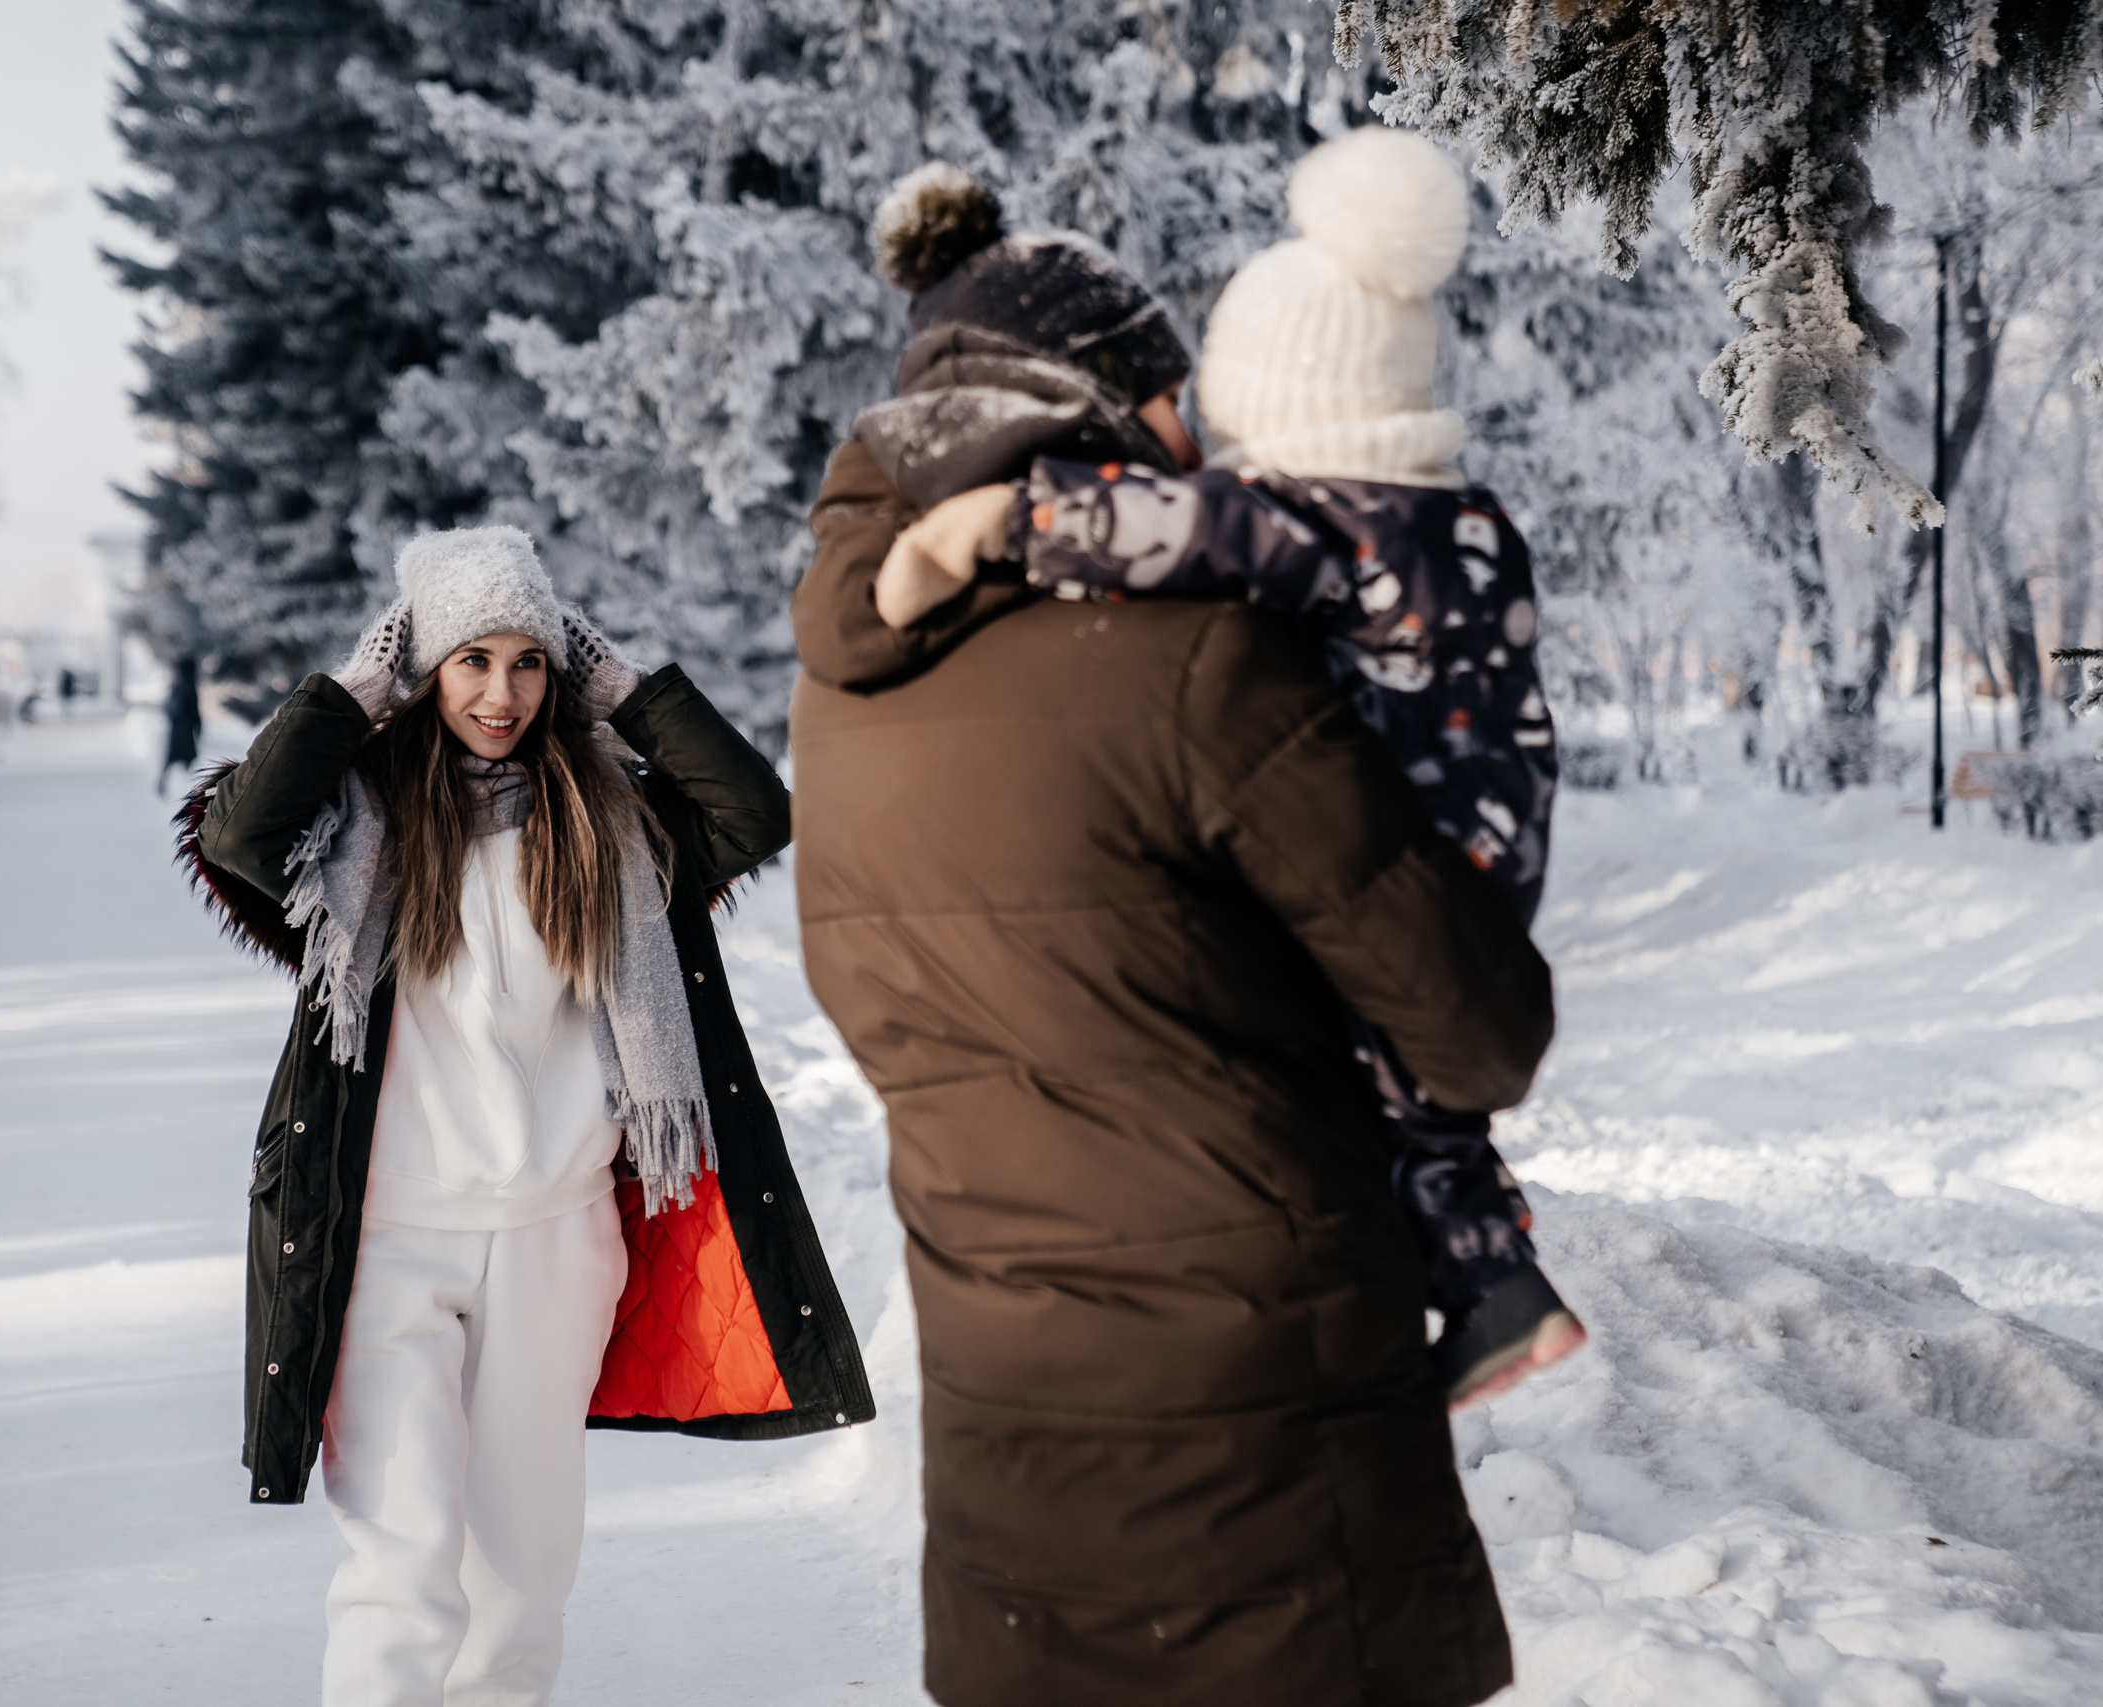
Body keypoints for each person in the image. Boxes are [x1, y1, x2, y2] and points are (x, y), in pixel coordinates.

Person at [789, 163, 1555, 1703]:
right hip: (1269, 1441)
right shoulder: (1199, 659)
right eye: (1168, 400)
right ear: (1103, 407)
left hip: (1007, 1433)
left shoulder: (838, 694)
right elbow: (1477, 1027)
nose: (1198, 439)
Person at [879, 127, 1585, 1411]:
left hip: (1424, 834)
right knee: (1424, 1097)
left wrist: (1005, 519)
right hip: (1493, 828)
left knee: (1372, 1065)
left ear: (1289, 410)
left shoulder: (1327, 521)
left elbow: (1185, 530)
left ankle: (1485, 1285)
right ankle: (1496, 1286)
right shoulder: (1460, 521)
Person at [179, 526, 872, 1707]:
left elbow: (755, 811)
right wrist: (354, 690)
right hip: (387, 1239)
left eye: (528, 663)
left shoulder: (609, 821)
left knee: (519, 1570)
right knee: (399, 1559)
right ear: (424, 670)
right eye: (470, 662)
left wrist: (621, 684)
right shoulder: (352, 829)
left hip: (557, 1237)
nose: (500, 695)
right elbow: (238, 834)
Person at [156, 654, 203, 796]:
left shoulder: (176, 685)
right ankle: (189, 790)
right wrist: (198, 727)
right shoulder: (190, 686)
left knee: (171, 758)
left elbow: (168, 708)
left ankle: (163, 783)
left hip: (175, 728)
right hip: (186, 730)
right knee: (189, 758)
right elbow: (194, 711)